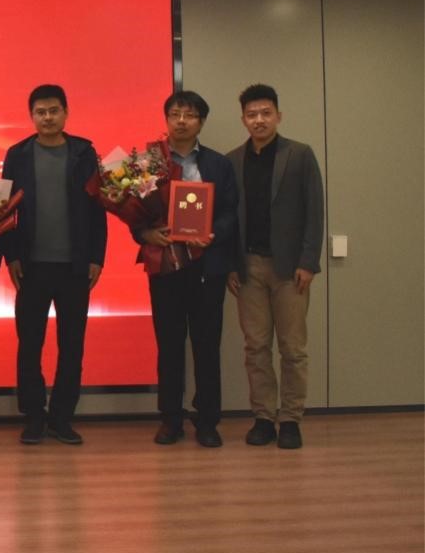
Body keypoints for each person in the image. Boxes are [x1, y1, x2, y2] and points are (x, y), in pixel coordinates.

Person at [1, 84, 107, 446]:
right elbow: (3, 211)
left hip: (75, 266)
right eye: (40, 112)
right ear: (32, 116)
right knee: (29, 345)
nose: (47, 117)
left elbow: (98, 208)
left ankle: (62, 417)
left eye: (53, 111)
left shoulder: (83, 153)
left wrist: (96, 257)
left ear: (65, 113)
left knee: (72, 345)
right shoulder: (17, 154)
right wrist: (11, 256)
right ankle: (34, 416)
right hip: (31, 266)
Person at [136, 90, 237, 448]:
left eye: (190, 115)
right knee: (169, 345)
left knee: (207, 346)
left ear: (201, 122)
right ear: (166, 119)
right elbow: (134, 210)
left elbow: (230, 211)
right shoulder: (148, 162)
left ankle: (207, 421)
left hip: (207, 267)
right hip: (166, 267)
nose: (181, 121)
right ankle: (171, 419)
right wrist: (145, 233)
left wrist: (213, 233)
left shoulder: (219, 164)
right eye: (175, 114)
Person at [227, 84, 324, 450]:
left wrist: (308, 262)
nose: (259, 120)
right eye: (252, 114)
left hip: (290, 269)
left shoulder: (300, 155)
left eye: (266, 113)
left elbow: (314, 212)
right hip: (248, 266)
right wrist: (232, 265)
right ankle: (264, 417)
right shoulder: (233, 160)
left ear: (278, 116)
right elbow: (228, 219)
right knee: (256, 347)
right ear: (243, 119)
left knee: (293, 348)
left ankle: (291, 420)